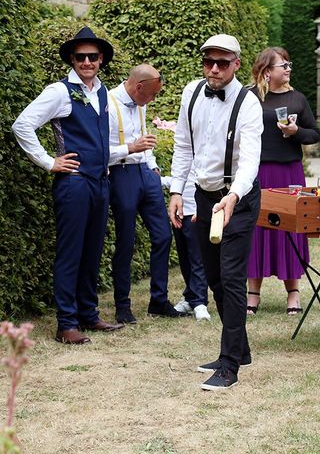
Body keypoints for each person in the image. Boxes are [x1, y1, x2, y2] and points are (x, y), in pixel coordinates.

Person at [12, 26, 124, 344]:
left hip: (101, 182)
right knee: (70, 253)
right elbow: (22, 125)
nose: (87, 62)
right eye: (80, 57)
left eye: (92, 56)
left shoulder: (103, 92)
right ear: (72, 60)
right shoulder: (59, 92)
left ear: (101, 59)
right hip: (74, 184)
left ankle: (88, 315)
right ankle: (66, 323)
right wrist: (50, 161)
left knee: (92, 251)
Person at [169, 34, 263, 390]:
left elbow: (250, 159)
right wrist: (178, 191)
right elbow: (183, 146)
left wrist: (235, 196)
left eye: (222, 63)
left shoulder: (248, 103)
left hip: (238, 199)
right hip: (204, 197)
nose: (214, 69)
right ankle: (241, 349)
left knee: (232, 275)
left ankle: (229, 366)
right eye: (209, 61)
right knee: (213, 277)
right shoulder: (192, 92)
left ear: (237, 63)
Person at [108, 64, 186, 323]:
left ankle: (159, 300)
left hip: (146, 173)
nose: (152, 100)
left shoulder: (141, 102)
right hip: (121, 173)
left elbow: (144, 138)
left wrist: (152, 166)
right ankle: (122, 305)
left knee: (163, 235)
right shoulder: (107, 102)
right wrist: (129, 148)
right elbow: (98, 150)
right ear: (139, 86)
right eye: (151, 95)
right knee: (126, 241)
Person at [246, 47, 320, 315]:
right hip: (258, 172)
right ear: (267, 71)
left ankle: (294, 293)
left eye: (289, 64)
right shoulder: (249, 97)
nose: (288, 69)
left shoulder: (297, 98)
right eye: (283, 65)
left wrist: (295, 131)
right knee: (257, 229)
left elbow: (314, 134)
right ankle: (253, 293)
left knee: (290, 229)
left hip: (289, 173)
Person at [162, 172, 211, 322]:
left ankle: (200, 301)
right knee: (184, 259)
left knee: (198, 259)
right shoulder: (182, 152)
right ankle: (190, 297)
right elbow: (179, 176)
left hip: (195, 209)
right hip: (178, 210)